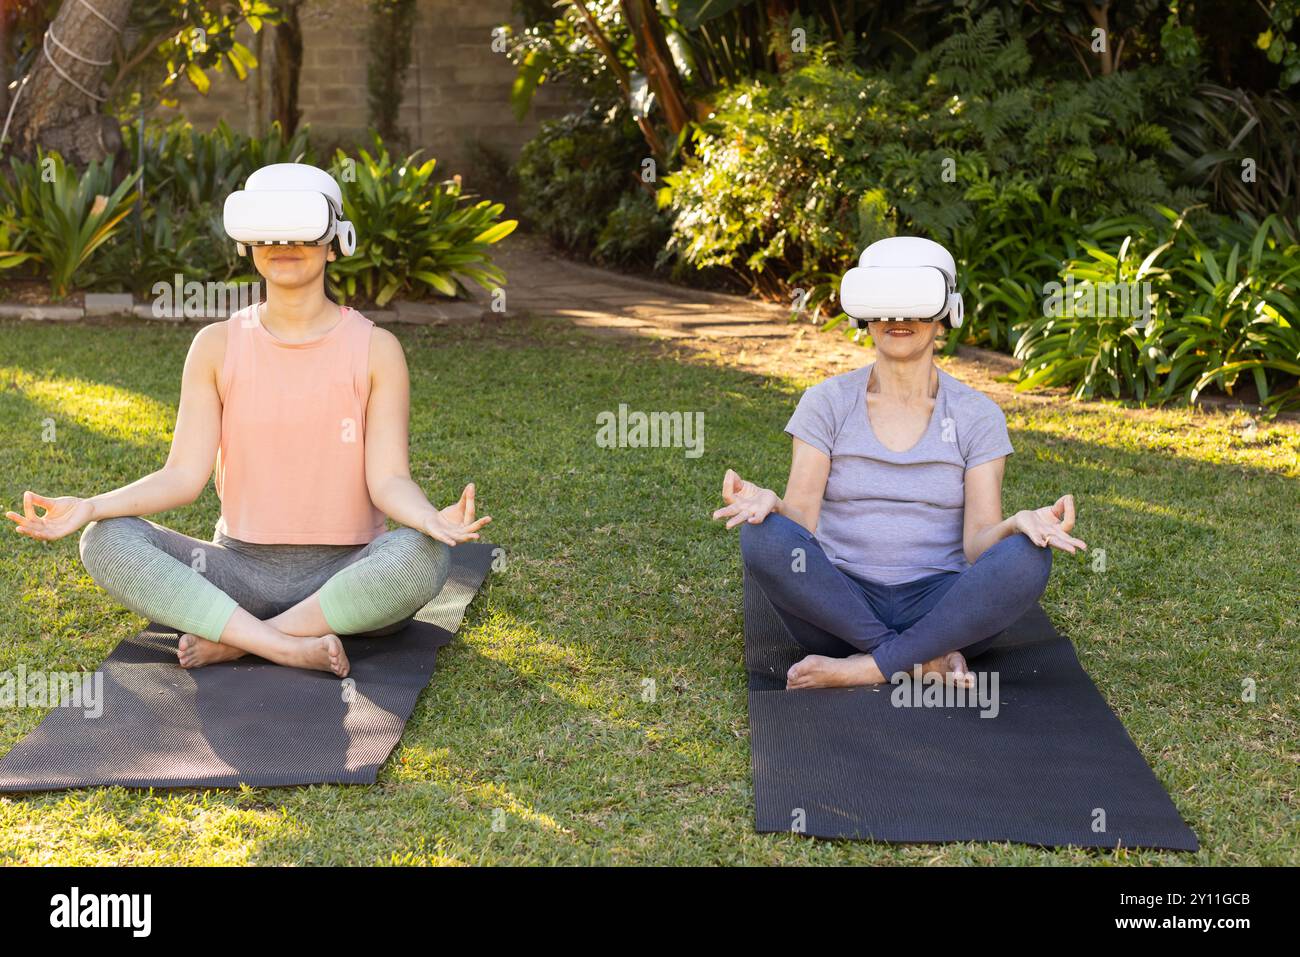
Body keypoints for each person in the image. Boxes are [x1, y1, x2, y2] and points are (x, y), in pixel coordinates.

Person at [5, 163, 489, 678]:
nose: (283, 241)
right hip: (237, 572)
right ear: (247, 241)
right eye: (267, 228)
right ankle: (283, 642)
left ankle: (241, 638)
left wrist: (427, 519)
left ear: (335, 242)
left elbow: (389, 479)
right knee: (103, 538)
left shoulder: (377, 349)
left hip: (347, 579)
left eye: (300, 227)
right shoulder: (215, 346)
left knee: (425, 553)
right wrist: (91, 506)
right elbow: (182, 477)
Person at [713, 239, 1085, 690]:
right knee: (763, 535)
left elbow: (976, 545)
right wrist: (770, 503)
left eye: (915, 304)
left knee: (1028, 556)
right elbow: (801, 522)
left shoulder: (977, 415)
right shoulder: (825, 402)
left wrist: (1015, 525)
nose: (897, 319)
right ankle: (916, 661)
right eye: (885, 304)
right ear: (864, 312)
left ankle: (866, 667)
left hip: (941, 607)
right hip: (840, 606)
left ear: (948, 312)